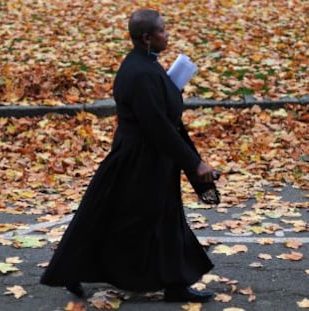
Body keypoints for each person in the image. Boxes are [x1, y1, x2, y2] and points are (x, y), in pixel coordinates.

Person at [40, 8, 221, 303]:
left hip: (150, 158)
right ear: (147, 37)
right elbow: (158, 127)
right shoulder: (140, 73)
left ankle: (175, 284)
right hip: (140, 163)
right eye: (162, 30)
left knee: (161, 220)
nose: (167, 34)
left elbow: (157, 115)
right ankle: (75, 270)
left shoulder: (145, 64)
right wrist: (194, 163)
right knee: (125, 221)